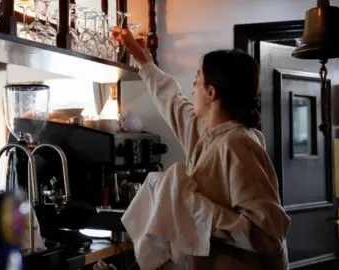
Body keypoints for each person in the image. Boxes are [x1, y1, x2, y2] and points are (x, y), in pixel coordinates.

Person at [113, 27, 291, 270]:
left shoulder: (238, 143)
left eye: (197, 78)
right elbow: (170, 98)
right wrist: (139, 54)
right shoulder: (206, 134)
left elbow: (269, 234)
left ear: (211, 92)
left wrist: (192, 206)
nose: (192, 87)